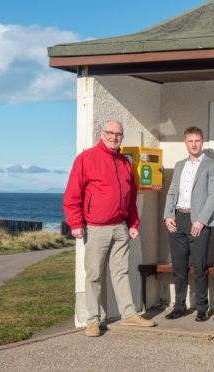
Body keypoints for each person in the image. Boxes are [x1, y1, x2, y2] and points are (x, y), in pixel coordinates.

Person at [63, 120, 156, 337]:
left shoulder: (125, 162)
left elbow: (131, 198)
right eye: (110, 133)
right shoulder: (86, 159)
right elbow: (72, 195)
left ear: (122, 137)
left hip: (120, 228)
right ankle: (92, 320)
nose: (114, 137)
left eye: (118, 134)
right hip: (96, 228)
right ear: (102, 134)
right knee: (94, 275)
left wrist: (133, 224)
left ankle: (128, 314)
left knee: (121, 272)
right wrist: (75, 223)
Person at [163, 126, 214, 322]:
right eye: (190, 141)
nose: (194, 144)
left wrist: (201, 220)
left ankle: (202, 308)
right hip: (178, 219)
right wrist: (167, 215)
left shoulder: (212, 165)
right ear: (185, 143)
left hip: (198, 222)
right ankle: (179, 306)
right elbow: (172, 191)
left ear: (202, 142)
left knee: (199, 267)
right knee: (178, 267)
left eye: (197, 140)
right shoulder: (180, 165)